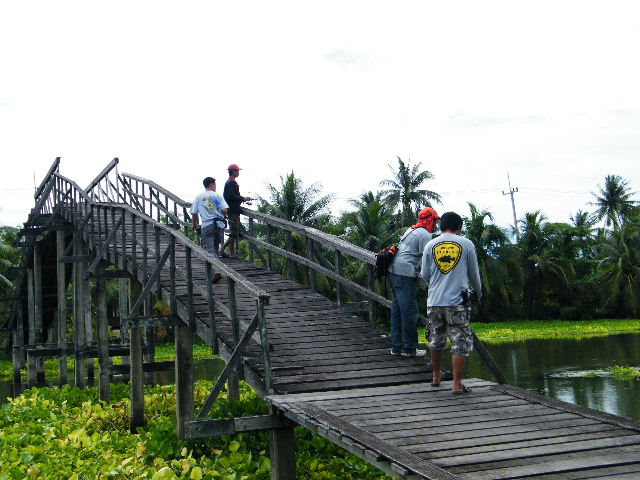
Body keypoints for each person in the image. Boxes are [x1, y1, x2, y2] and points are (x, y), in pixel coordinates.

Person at [421, 211, 481, 394]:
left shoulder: (430, 245)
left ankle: (436, 376)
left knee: (436, 340)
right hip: (457, 302)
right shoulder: (466, 244)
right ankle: (456, 384)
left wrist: (435, 287)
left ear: (441, 226)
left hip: (435, 301)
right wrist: (477, 294)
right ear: (459, 227)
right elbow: (474, 274)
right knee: (460, 342)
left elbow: (424, 275)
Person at [388, 207, 440, 357]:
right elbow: (427, 260)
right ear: (430, 220)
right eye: (435, 220)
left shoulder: (411, 230)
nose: (436, 224)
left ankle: (396, 347)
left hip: (393, 270)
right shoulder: (424, 234)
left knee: (397, 311)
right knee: (409, 311)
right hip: (404, 273)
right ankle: (409, 348)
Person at [191, 176, 228, 265]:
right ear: (212, 185)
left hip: (207, 225)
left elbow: (194, 213)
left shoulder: (199, 197)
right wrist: (224, 216)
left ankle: (216, 270)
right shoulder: (218, 196)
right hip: (219, 225)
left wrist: (194, 224)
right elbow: (224, 210)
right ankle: (218, 269)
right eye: (215, 185)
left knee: (208, 249)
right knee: (215, 248)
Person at [219, 164, 254, 259]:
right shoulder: (231, 182)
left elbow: (231, 196)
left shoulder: (230, 182)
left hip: (232, 209)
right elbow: (230, 196)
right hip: (232, 210)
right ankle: (228, 252)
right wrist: (243, 198)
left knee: (234, 232)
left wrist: (243, 199)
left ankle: (226, 251)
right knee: (233, 232)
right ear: (233, 171)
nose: (238, 172)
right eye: (237, 171)